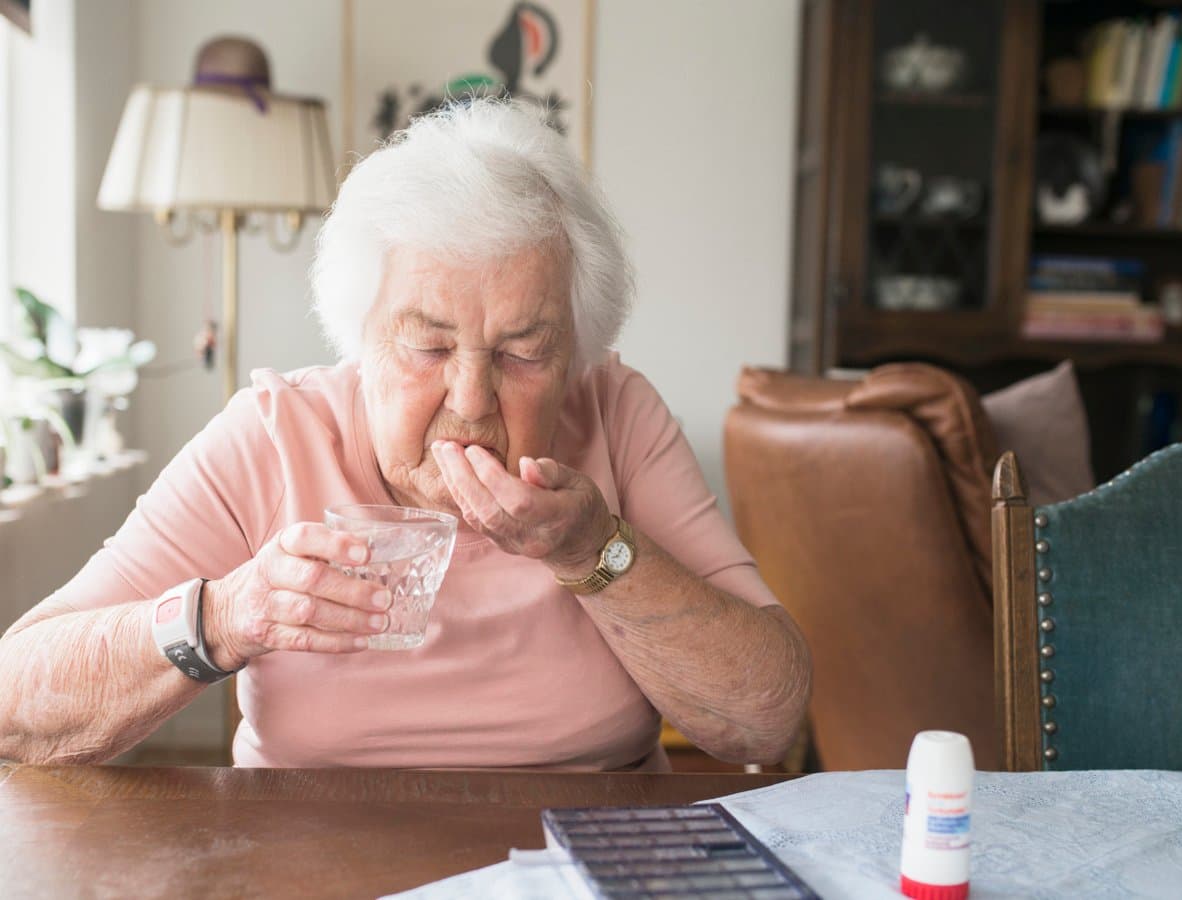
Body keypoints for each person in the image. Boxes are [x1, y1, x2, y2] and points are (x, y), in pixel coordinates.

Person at [0, 99, 811, 770]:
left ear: (577, 353)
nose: (470, 397)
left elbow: (769, 720)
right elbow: (14, 703)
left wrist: (593, 552)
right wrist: (225, 616)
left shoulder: (617, 414)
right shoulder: (277, 435)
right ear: (360, 334)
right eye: (428, 347)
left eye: (523, 352)